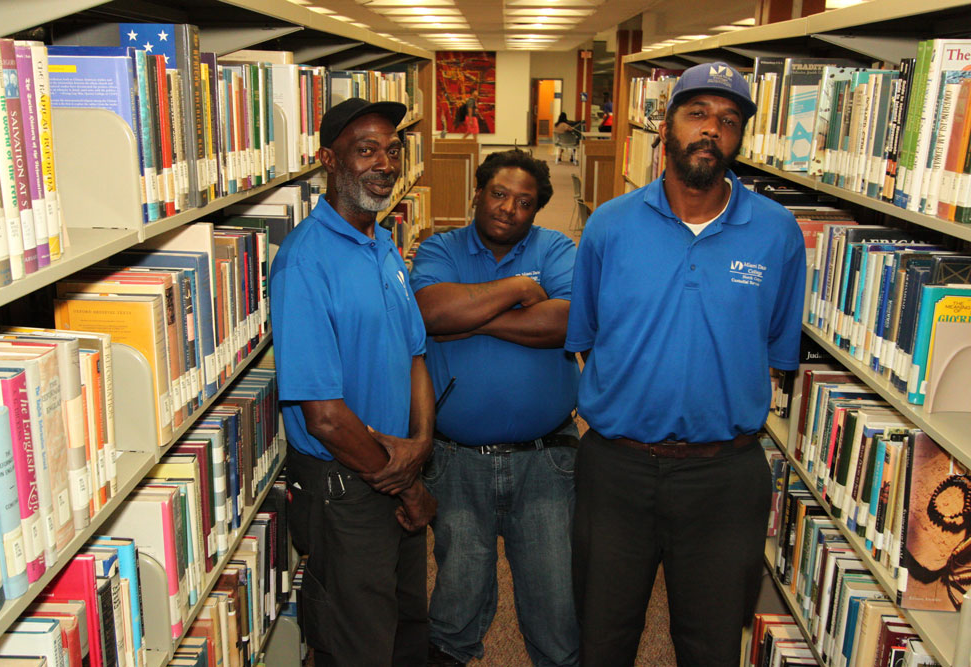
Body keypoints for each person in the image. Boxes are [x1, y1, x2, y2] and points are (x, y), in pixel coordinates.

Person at [566, 61, 806, 667]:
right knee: (603, 639)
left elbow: (777, 350)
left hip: (724, 476)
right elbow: (589, 336)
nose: (711, 130)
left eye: (728, 121)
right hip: (616, 469)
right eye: (697, 113)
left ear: (739, 138)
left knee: (711, 645)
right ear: (665, 126)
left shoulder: (777, 233)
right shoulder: (609, 225)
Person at [270, 97, 437, 667]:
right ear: (328, 160)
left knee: (407, 622)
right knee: (356, 640)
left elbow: (417, 354)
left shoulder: (384, 241)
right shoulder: (304, 262)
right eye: (366, 150)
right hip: (347, 485)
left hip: (395, 466)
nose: (385, 164)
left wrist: (420, 446)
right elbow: (324, 416)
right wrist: (408, 484)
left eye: (393, 150)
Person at [410, 149, 581, 667]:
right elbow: (431, 312)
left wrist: (474, 315)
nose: (509, 208)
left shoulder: (557, 248)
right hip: (456, 458)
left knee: (555, 593)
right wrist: (517, 289)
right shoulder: (439, 247)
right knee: (457, 589)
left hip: (546, 458)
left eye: (525, 202)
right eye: (499, 194)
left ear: (536, 211)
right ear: (477, 194)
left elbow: (568, 323)